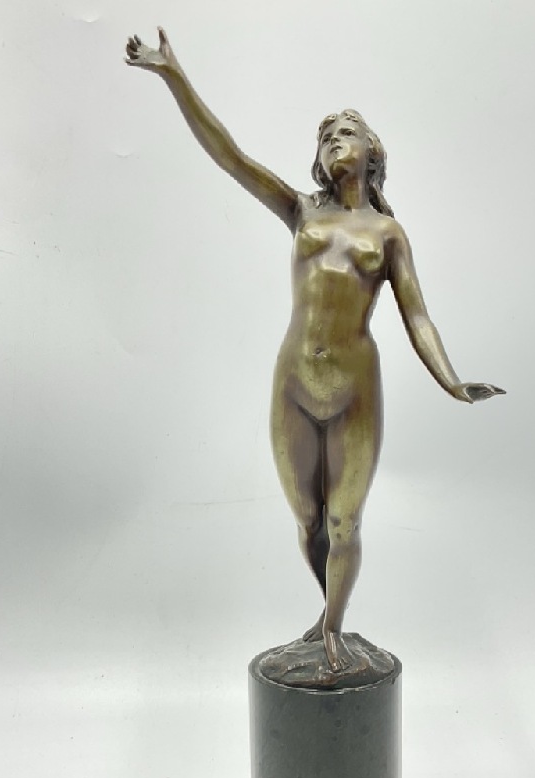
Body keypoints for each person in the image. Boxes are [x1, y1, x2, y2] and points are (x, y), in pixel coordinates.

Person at [125, 28, 505, 674]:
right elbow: (230, 157)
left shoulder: (388, 233)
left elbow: (417, 315)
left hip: (356, 389)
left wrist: (452, 381)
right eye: (325, 135)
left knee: (346, 523)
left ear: (373, 153)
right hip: (293, 383)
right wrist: (174, 76)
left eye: (346, 131)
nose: (333, 140)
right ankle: (327, 616)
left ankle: (332, 633)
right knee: (309, 521)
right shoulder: (302, 211)